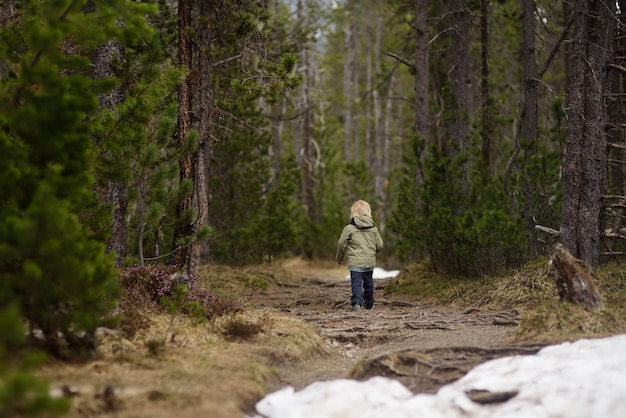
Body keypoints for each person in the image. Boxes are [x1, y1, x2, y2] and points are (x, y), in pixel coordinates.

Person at [336, 200, 384, 312]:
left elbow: (341, 244)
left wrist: (340, 258)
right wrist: (371, 252)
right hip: (369, 260)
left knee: (356, 283)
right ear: (368, 212)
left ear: (353, 212)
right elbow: (380, 245)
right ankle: (369, 303)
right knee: (369, 282)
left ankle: (357, 302)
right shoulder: (373, 228)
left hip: (355, 261)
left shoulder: (349, 228)